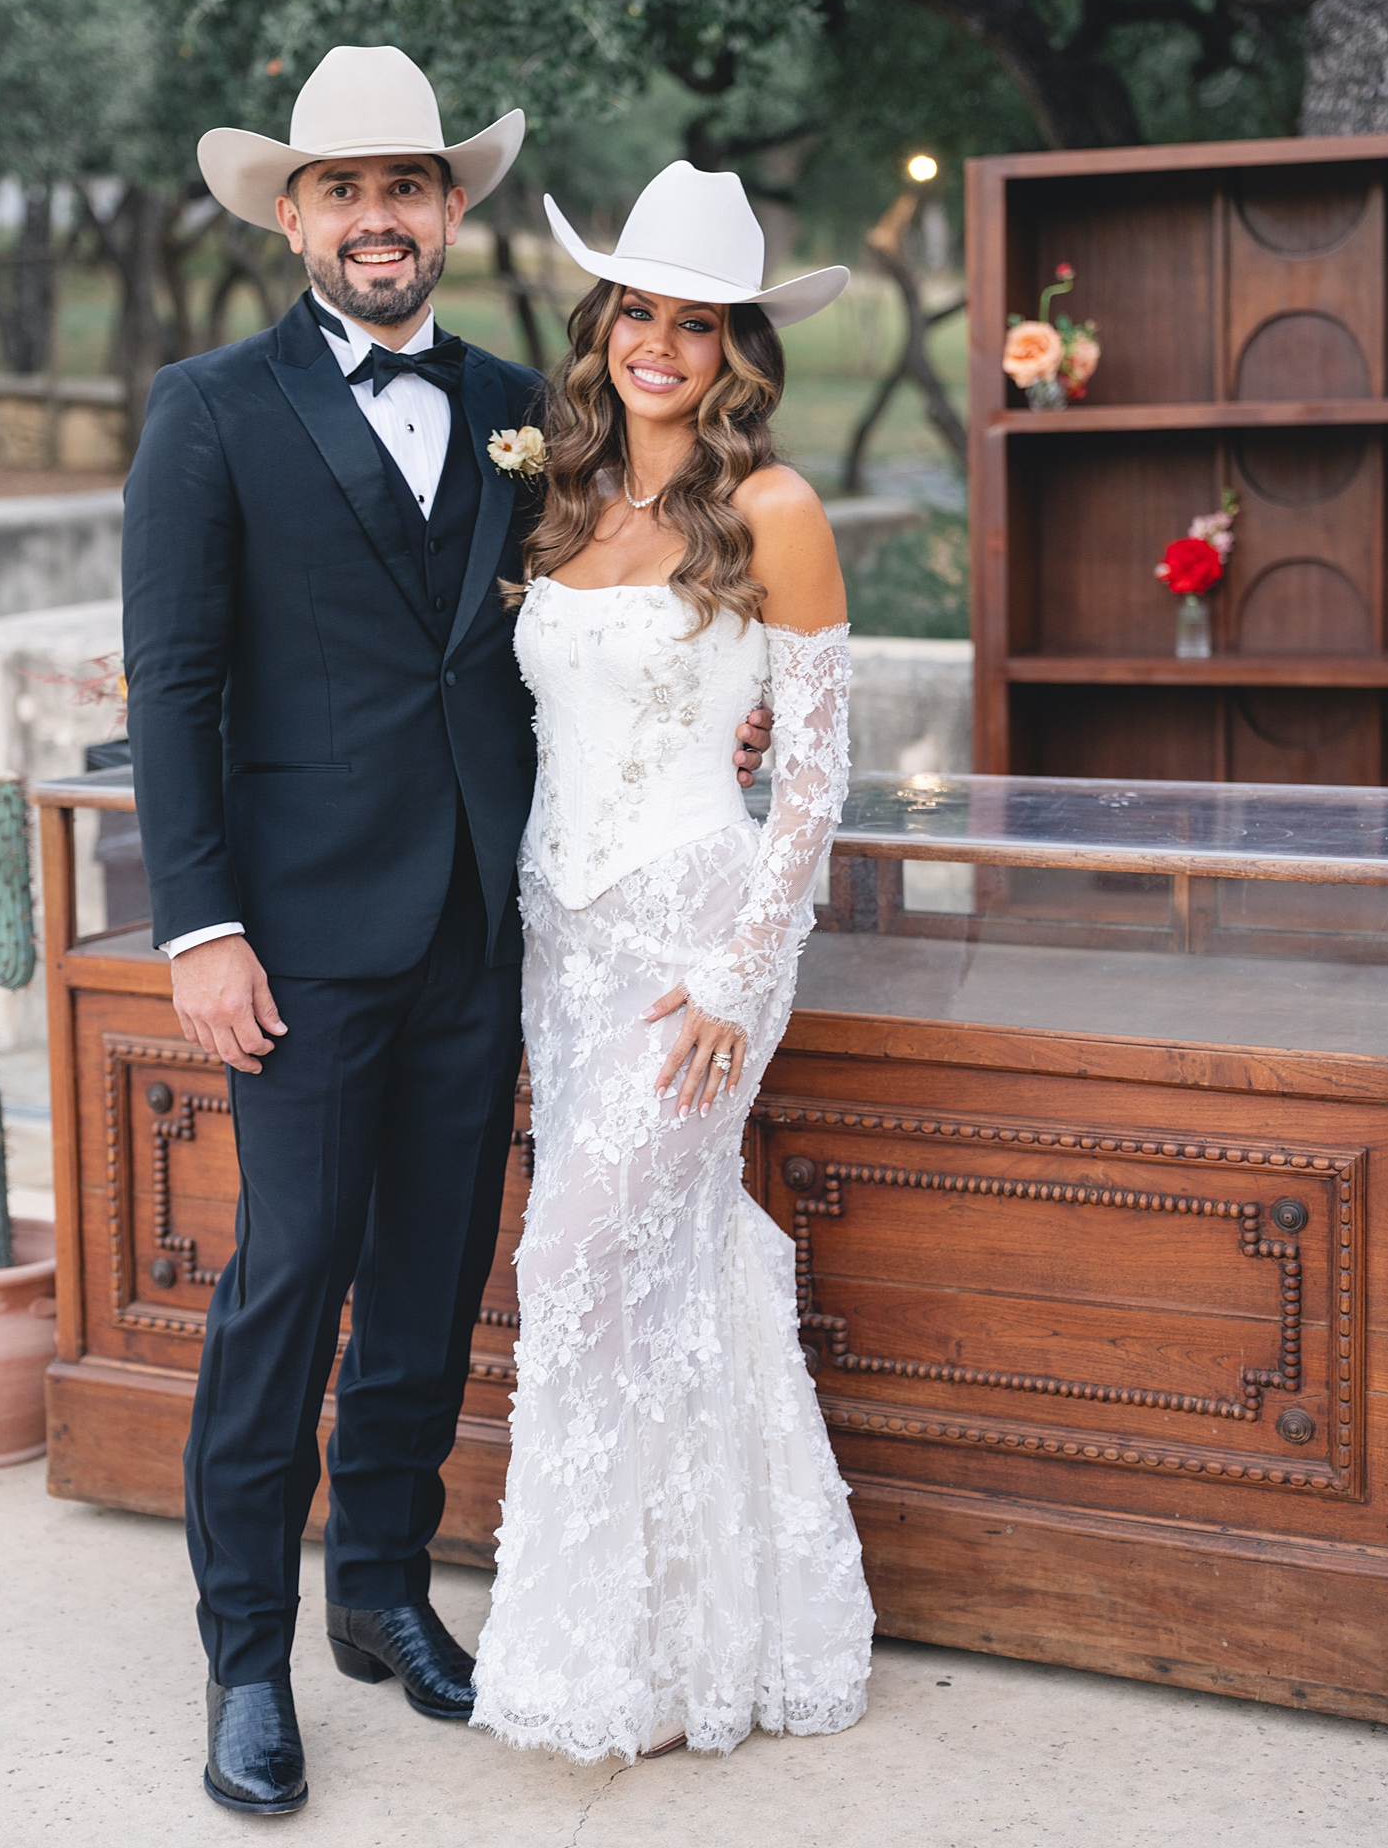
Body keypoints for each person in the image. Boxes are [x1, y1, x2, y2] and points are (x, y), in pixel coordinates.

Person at [123, 50, 776, 1815]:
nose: (379, 215)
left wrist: (750, 708)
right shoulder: (210, 408)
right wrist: (201, 927)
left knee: (427, 1292)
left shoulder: (519, 407)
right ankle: (245, 1657)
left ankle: (384, 1595)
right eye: (343, 188)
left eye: (407, 184)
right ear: (292, 214)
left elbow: (611, 596)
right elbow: (176, 688)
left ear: (452, 207)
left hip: (494, 932)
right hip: (303, 948)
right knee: (289, 1288)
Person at [470, 162, 875, 1763]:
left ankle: (599, 1644)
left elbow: (820, 776)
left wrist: (735, 976)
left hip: (698, 944)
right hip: (558, 940)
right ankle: (691, 1636)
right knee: (658, 1271)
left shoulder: (777, 509)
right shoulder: (564, 500)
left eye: (695, 323)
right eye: (639, 308)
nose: (659, 343)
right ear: (605, 323)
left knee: (572, 1264)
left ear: (734, 354)